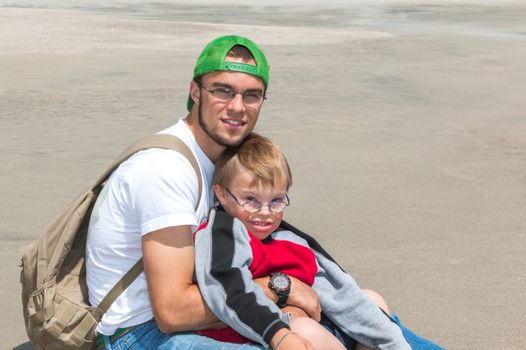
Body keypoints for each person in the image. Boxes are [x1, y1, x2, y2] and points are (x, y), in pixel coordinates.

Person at [85, 35, 317, 350]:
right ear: (196, 92)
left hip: (200, 312)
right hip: (139, 333)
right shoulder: (165, 170)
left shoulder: (223, 160)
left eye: (252, 95)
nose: (238, 107)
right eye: (223, 90)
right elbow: (172, 311)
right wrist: (279, 288)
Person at [193, 133, 412, 350]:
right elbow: (227, 291)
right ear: (221, 195)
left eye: (276, 200)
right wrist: (278, 333)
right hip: (259, 336)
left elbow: (338, 293)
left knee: (370, 300)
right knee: (302, 329)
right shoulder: (223, 232)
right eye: (251, 200)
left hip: (316, 328)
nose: (265, 213)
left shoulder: (291, 239)